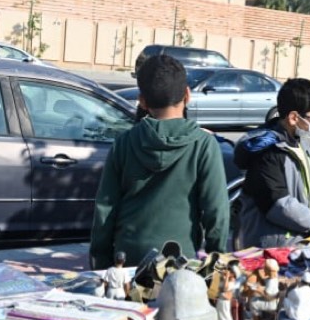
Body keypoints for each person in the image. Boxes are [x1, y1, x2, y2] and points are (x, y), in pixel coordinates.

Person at [90, 54, 230, 270]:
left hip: (126, 258)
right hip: (180, 260)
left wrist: (101, 262)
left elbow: (105, 209)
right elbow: (217, 211)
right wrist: (215, 259)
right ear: (187, 95)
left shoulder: (124, 142)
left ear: (142, 101)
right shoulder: (203, 145)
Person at [234, 79, 310, 247]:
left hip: (301, 238)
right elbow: (278, 203)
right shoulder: (267, 151)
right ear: (294, 117)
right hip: (273, 247)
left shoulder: (301, 144)